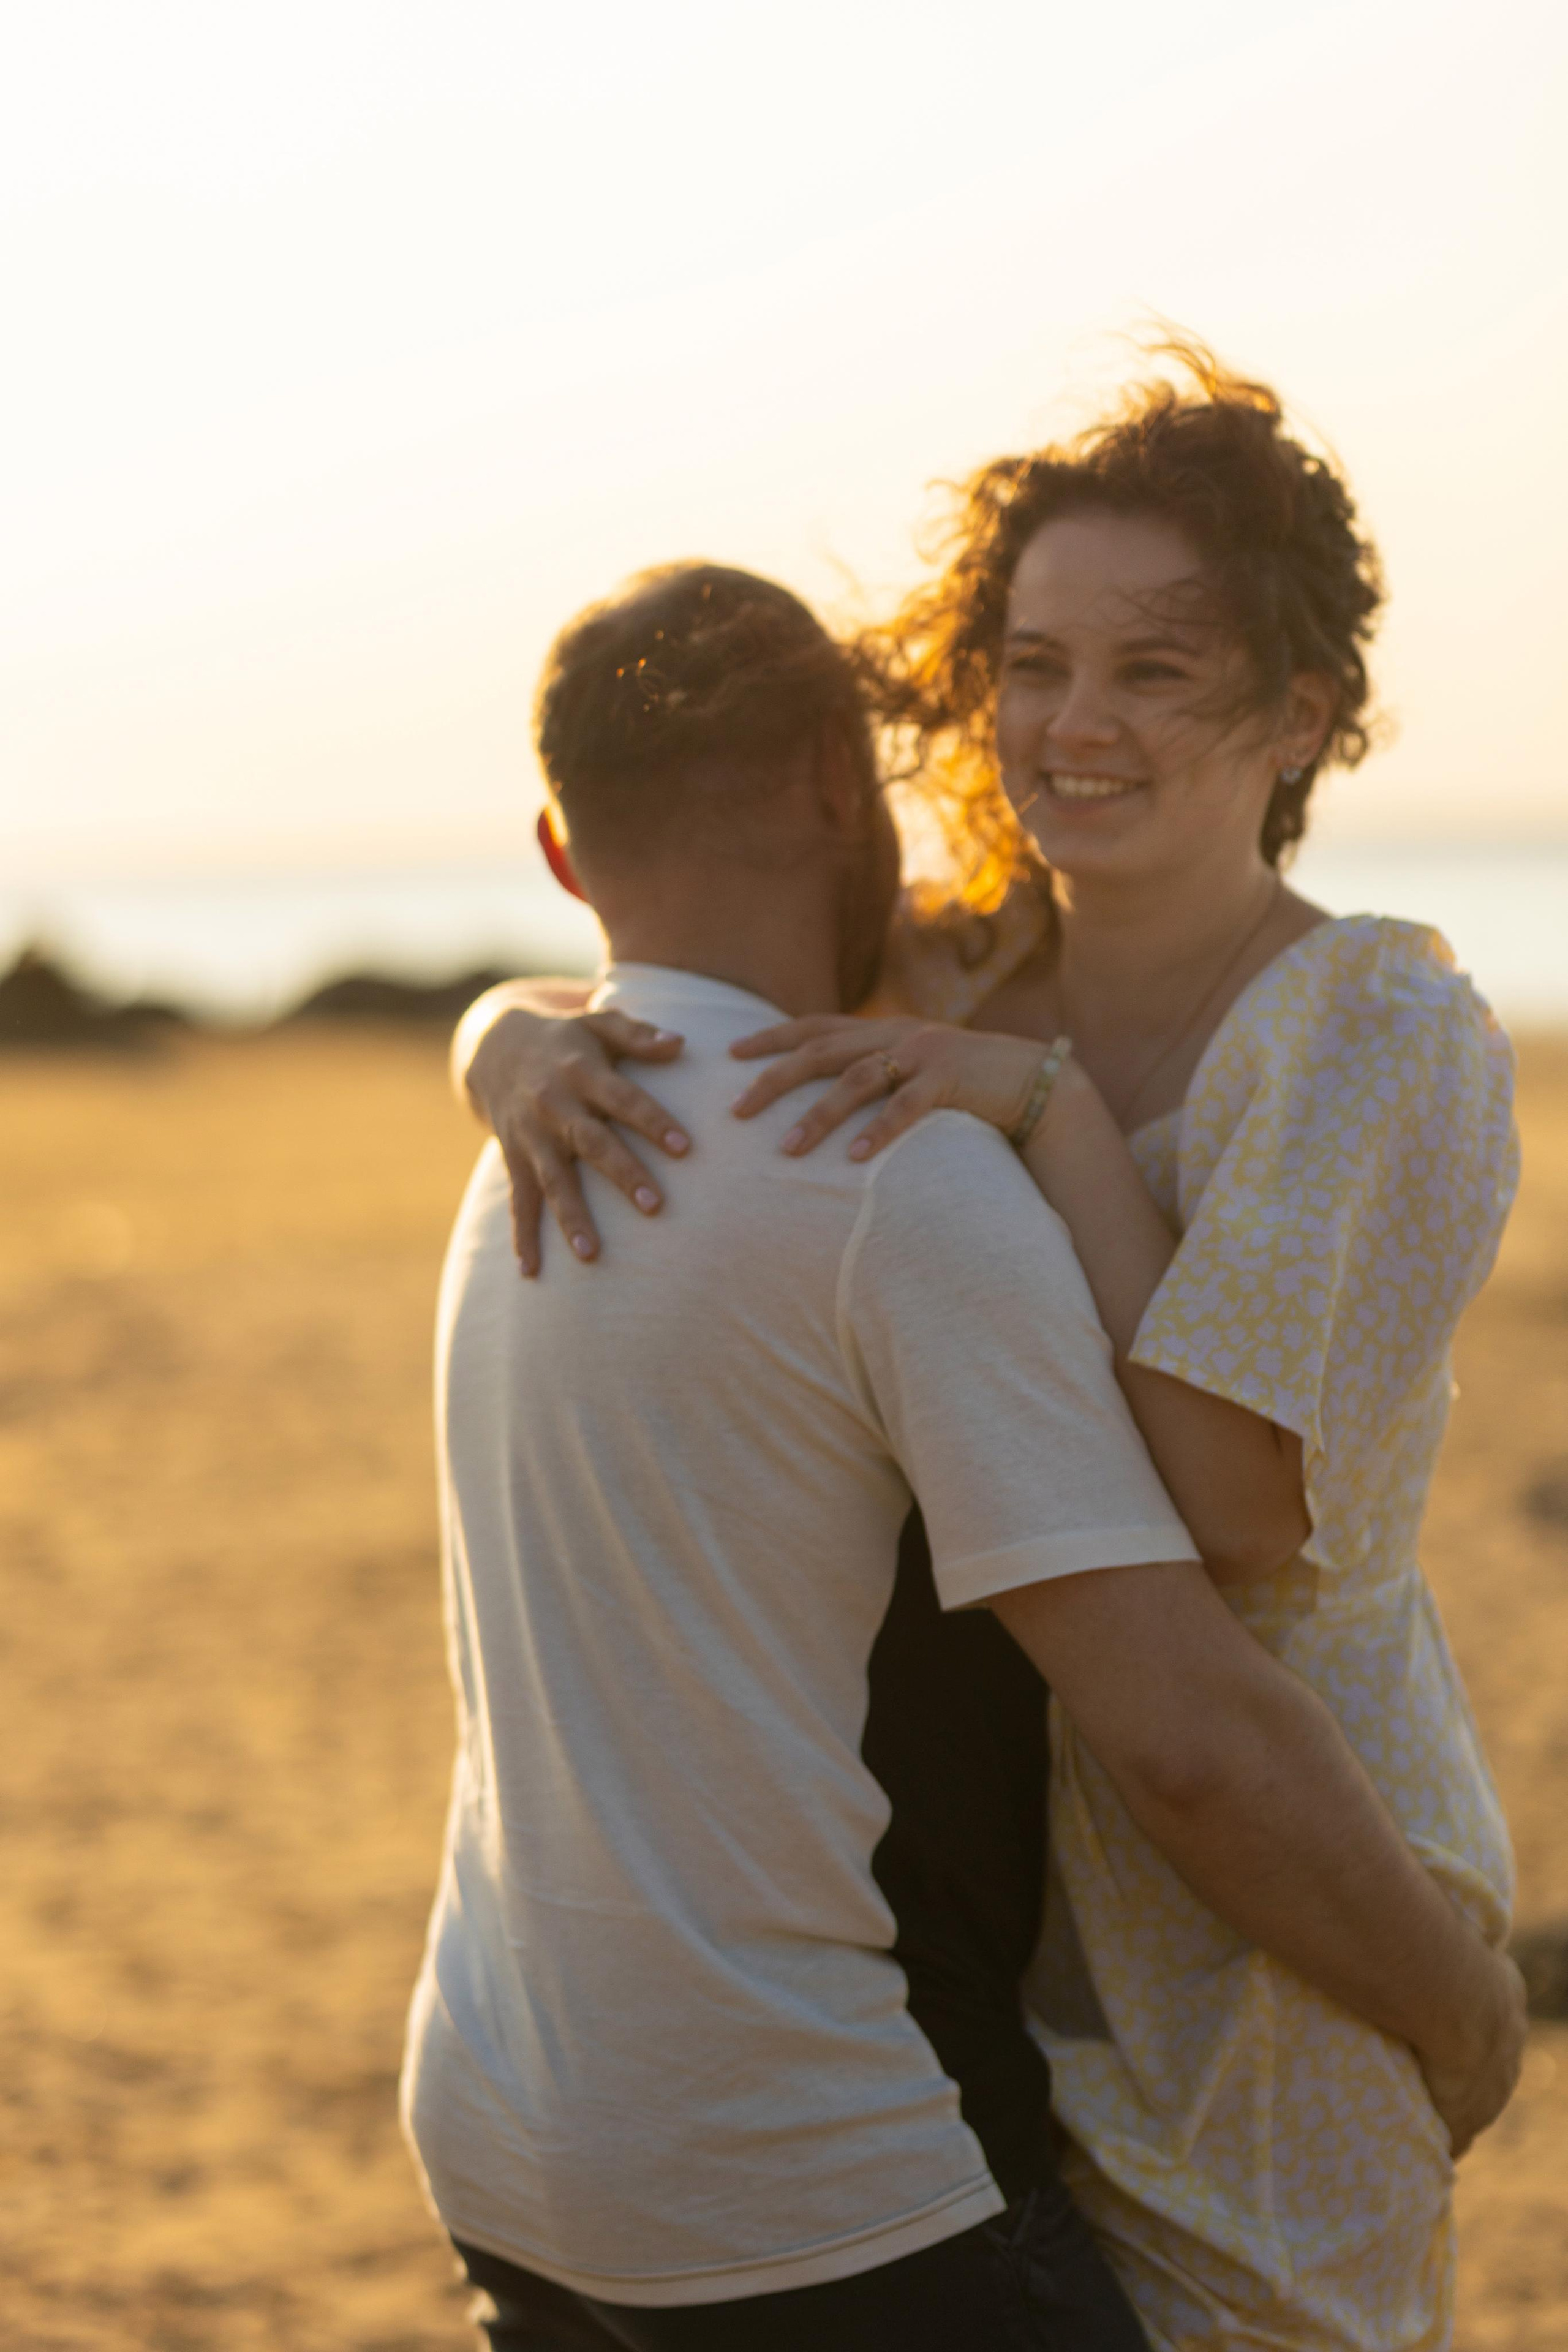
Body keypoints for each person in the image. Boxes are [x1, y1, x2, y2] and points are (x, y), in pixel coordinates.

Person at [451, 350, 1526, 2349]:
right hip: (998, 1926)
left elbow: (1225, 1506)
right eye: (1034, 663)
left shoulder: (1375, 1035)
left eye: (1153, 671)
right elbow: (681, 971)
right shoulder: (961, 964)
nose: (1072, 723)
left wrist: (1040, 1120)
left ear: (1300, 712)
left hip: (1276, 1908)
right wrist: (505, 1041)